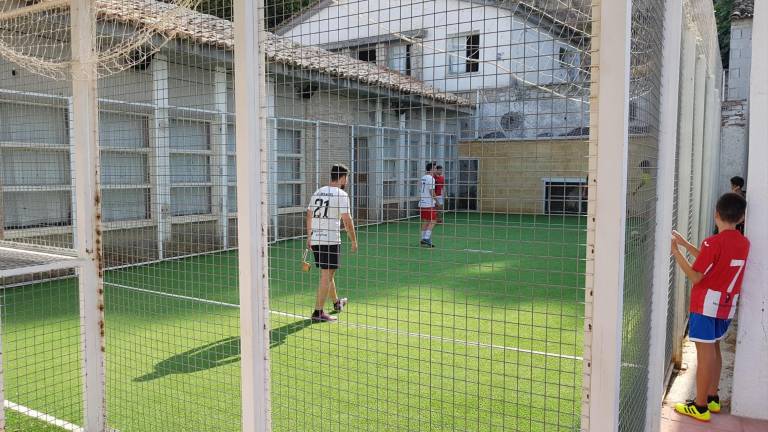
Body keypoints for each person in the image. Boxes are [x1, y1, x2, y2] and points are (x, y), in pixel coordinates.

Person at [670, 192, 750, 422]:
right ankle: (713, 398)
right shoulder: (743, 243)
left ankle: (701, 405)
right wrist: (685, 244)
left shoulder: (712, 242)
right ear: (741, 218)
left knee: (704, 355)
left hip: (705, 304)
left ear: (716, 213)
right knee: (713, 348)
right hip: (726, 304)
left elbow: (696, 277)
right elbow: (711, 259)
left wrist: (676, 252)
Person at [306, 164, 358, 322]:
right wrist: (354, 240)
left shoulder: (318, 191)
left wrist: (309, 236)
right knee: (327, 275)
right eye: (347, 178)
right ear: (342, 177)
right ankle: (318, 312)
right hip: (330, 240)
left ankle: (336, 303)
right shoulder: (341, 194)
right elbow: (347, 220)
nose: (347, 181)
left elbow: (308, 214)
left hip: (316, 239)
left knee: (327, 273)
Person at [419, 162, 438, 247]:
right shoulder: (431, 178)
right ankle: (426, 238)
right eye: (435, 168)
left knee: (426, 221)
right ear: (431, 169)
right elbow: (431, 191)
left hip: (422, 203)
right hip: (428, 203)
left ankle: (423, 239)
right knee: (433, 221)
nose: (436, 170)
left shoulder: (423, 177)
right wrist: (437, 201)